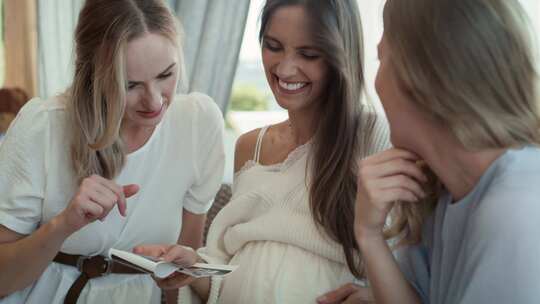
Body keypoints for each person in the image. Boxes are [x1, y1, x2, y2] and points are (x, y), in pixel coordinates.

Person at [135, 0, 390, 303]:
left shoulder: (374, 138)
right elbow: (224, 276)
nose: (284, 68)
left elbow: (406, 265)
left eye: (308, 54)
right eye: (273, 46)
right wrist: (193, 271)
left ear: (340, 55)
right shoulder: (249, 146)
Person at [0, 0, 224, 303]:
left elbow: (180, 272)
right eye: (130, 84)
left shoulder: (198, 122)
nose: (154, 101)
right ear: (94, 76)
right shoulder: (44, 125)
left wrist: (182, 266)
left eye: (165, 75)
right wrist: (64, 224)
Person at [320, 0, 540, 303]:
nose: (376, 81)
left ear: (420, 76)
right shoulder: (444, 194)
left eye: (381, 58)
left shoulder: (518, 210)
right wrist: (368, 233)